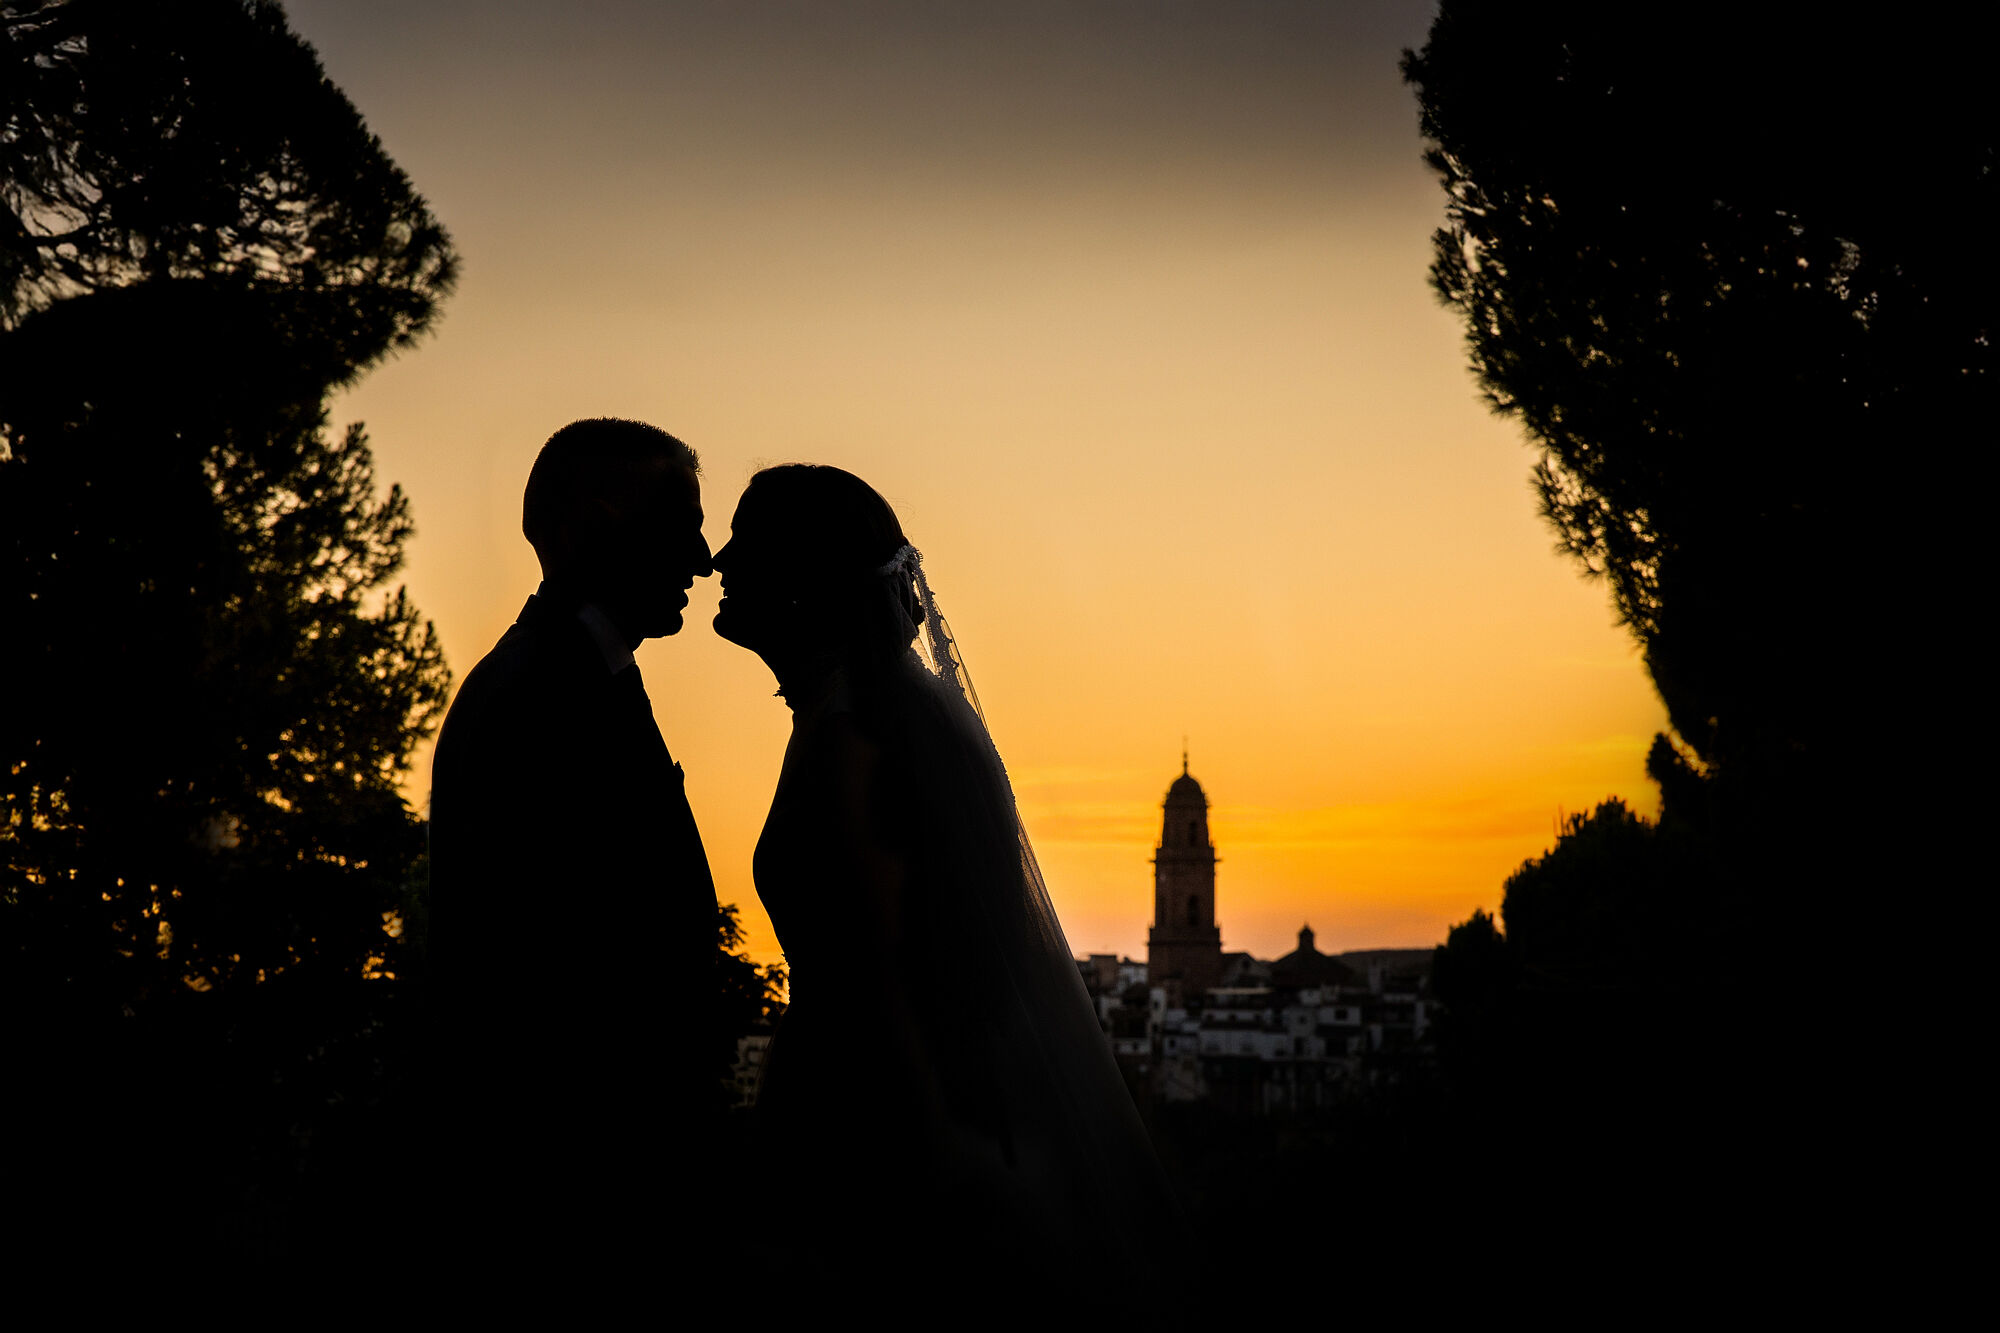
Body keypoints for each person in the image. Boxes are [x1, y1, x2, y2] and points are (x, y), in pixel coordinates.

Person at [712, 464, 1177, 1311]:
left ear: (802, 580)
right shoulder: (847, 717)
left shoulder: (854, 739)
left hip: (875, 1131)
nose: (717, 561)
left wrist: (932, 1165)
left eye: (744, 542)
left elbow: (893, 980)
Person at [429, 417, 718, 1269]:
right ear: (590, 528)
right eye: (680, 523)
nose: (703, 558)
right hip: (574, 1203)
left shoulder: (579, 675)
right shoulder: (535, 697)